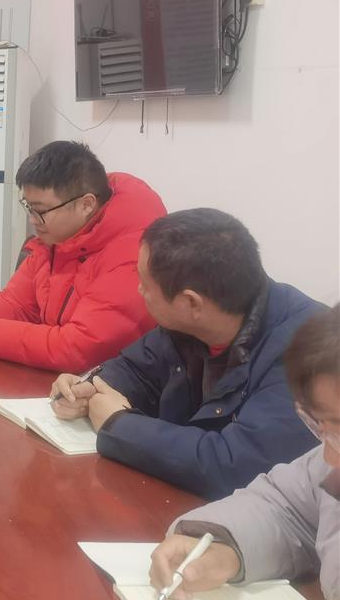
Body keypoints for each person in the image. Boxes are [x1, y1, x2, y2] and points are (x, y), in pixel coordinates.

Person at [49, 209, 321, 498]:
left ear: (191, 303)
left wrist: (118, 425)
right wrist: (89, 388)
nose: (139, 291)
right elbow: (137, 370)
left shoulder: (309, 356)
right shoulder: (193, 321)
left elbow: (235, 466)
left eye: (145, 284)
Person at [147, 305, 338, 600]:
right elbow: (286, 508)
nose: (328, 455)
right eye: (320, 426)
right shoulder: (330, 463)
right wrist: (227, 550)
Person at [0, 140, 166, 372]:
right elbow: (17, 305)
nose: (33, 220)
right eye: (28, 207)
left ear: (86, 204)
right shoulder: (58, 236)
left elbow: (78, 347)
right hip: (55, 380)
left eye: (40, 211)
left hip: (106, 390)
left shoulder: (134, 254)